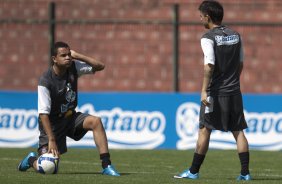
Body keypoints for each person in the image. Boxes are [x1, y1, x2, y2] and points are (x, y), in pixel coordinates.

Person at [174, 0, 251, 181]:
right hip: (234, 91)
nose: (200, 18)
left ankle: (193, 172)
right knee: (238, 131)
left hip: (215, 93)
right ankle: (245, 173)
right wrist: (232, 82)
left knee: (204, 129)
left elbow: (209, 66)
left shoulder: (208, 37)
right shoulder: (236, 35)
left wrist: (203, 91)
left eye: (201, 15)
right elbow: (240, 64)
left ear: (207, 16)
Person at [18, 41, 120, 176]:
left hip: (70, 117)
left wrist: (78, 56)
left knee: (95, 121)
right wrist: (52, 140)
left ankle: (106, 165)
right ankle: (31, 160)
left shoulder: (73, 67)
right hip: (52, 125)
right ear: (54, 59)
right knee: (48, 168)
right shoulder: (45, 81)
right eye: (63, 55)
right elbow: (43, 114)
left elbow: (100, 66)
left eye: (69, 54)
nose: (68, 58)